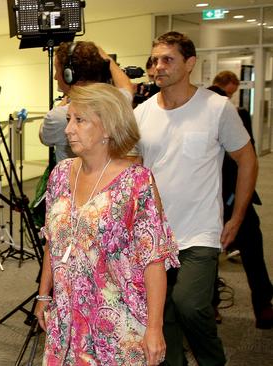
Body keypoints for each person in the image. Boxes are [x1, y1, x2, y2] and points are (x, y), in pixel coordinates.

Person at [134, 31, 258, 366]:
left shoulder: (216, 108)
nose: (158, 67)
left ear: (190, 64)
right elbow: (134, 172)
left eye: (167, 59)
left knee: (190, 304)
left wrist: (237, 217)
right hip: (155, 235)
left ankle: (212, 361)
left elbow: (247, 159)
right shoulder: (142, 113)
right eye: (155, 60)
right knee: (162, 311)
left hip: (200, 232)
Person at [35, 83, 178, 365]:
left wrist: (154, 327)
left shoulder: (136, 182)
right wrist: (44, 295)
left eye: (79, 120)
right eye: (68, 120)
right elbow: (53, 242)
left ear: (108, 128)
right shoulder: (61, 175)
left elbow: (154, 260)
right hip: (65, 320)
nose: (68, 130)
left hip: (117, 325)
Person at [208, 77, 273, 329]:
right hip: (208, 200)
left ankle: (262, 304)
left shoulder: (237, 115)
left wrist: (237, 208)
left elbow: (249, 157)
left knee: (253, 249)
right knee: (207, 254)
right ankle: (210, 305)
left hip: (237, 196)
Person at [39, 41, 133, 162]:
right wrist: (107, 59)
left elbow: (44, 137)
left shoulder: (60, 116)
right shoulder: (116, 103)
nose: (55, 77)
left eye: (57, 70)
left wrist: (64, 101)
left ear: (69, 75)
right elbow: (127, 87)